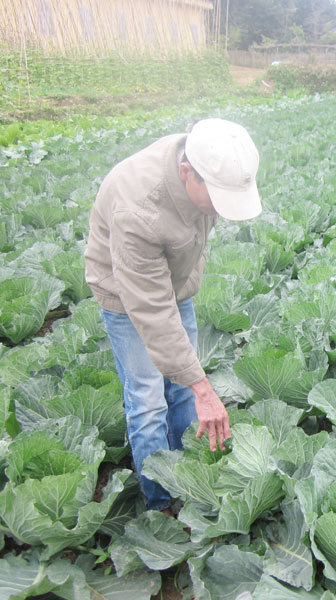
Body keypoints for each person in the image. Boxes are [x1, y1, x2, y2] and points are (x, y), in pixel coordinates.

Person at [84, 118, 262, 511]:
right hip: (127, 294)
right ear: (187, 175)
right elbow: (152, 309)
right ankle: (161, 503)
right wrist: (204, 387)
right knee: (148, 400)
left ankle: (190, 473)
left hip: (171, 283)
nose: (218, 210)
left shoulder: (204, 155)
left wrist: (193, 383)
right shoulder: (139, 210)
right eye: (216, 198)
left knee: (182, 387)